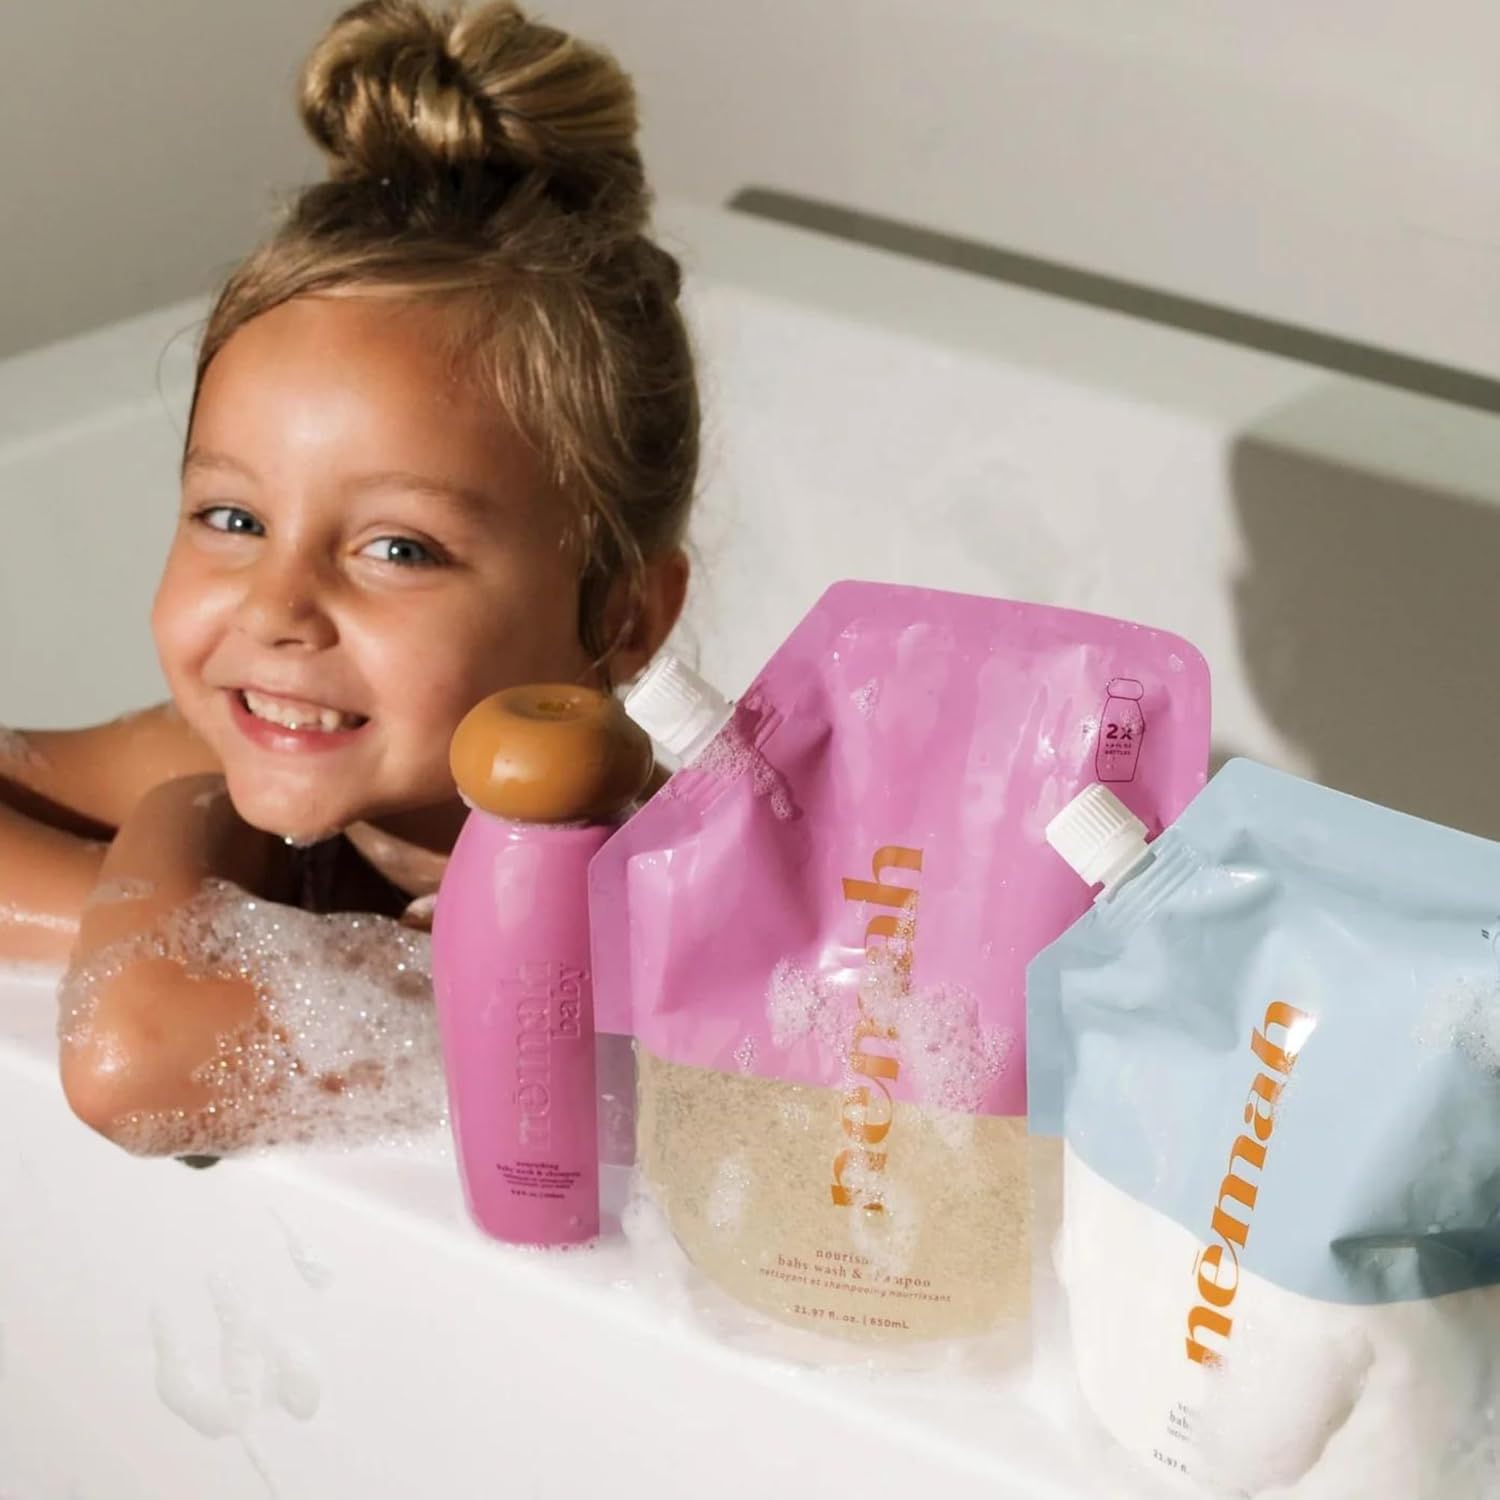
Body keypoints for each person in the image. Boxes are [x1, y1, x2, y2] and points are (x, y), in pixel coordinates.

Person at [0, 0, 697, 1155]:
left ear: (621, 618)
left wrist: (183, 823)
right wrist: (179, 905)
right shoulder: (295, 734)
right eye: (234, 518)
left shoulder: (626, 895)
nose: (276, 609)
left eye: (397, 549)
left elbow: (134, 1053)